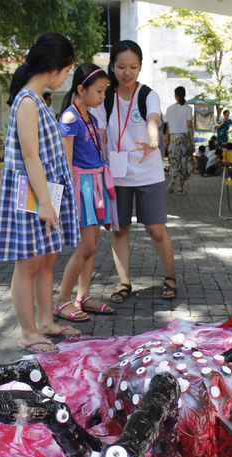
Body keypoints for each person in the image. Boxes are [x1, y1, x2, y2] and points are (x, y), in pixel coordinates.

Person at [0, 32, 80, 355]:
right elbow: (30, 156)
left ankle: (46, 322)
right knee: (28, 263)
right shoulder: (27, 101)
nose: (65, 79)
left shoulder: (36, 99)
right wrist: (44, 202)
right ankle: (29, 331)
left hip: (45, 191)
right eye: (66, 71)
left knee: (47, 259)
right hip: (31, 194)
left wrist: (49, 198)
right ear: (54, 68)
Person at [92, 40, 177, 302]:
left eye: (133, 66)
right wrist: (99, 162)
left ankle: (171, 276)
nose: (127, 72)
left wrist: (153, 141)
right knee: (119, 230)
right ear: (113, 67)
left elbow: (153, 119)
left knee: (156, 229)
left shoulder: (148, 95)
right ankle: (124, 282)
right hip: (116, 174)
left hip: (147, 172)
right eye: (121, 66)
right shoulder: (104, 98)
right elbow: (103, 136)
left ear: (140, 68)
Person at [55, 63, 116, 319]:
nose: (103, 96)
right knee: (85, 248)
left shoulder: (89, 115)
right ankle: (62, 300)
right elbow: (65, 162)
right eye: (99, 91)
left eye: (104, 91)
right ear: (81, 89)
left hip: (95, 183)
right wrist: (68, 197)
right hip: (82, 186)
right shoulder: (71, 117)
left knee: (91, 247)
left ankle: (83, 296)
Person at [165, 86, 194, 194]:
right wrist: (192, 140)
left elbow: (168, 126)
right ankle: (180, 188)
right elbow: (190, 125)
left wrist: (167, 140)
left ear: (175, 96)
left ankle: (173, 180)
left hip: (173, 137)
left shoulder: (169, 109)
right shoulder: (188, 108)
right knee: (184, 163)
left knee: (173, 161)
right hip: (184, 137)